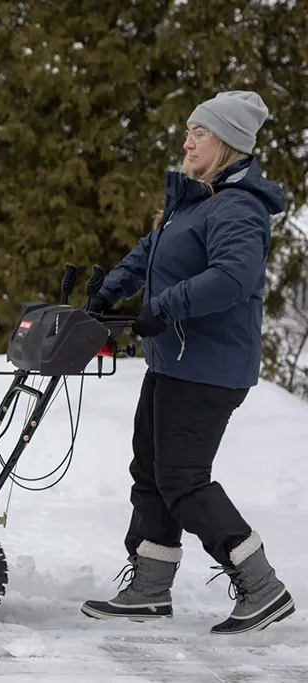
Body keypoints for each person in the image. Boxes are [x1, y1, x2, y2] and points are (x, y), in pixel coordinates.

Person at [79, 91, 295, 635]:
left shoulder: (238, 207)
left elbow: (232, 279)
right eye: (189, 130)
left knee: (183, 478)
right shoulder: (194, 202)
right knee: (151, 472)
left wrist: (163, 308)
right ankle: (150, 588)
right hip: (174, 361)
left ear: (226, 142)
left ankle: (262, 585)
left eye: (199, 132)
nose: (187, 139)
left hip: (210, 369)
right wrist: (106, 294)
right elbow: (148, 254)